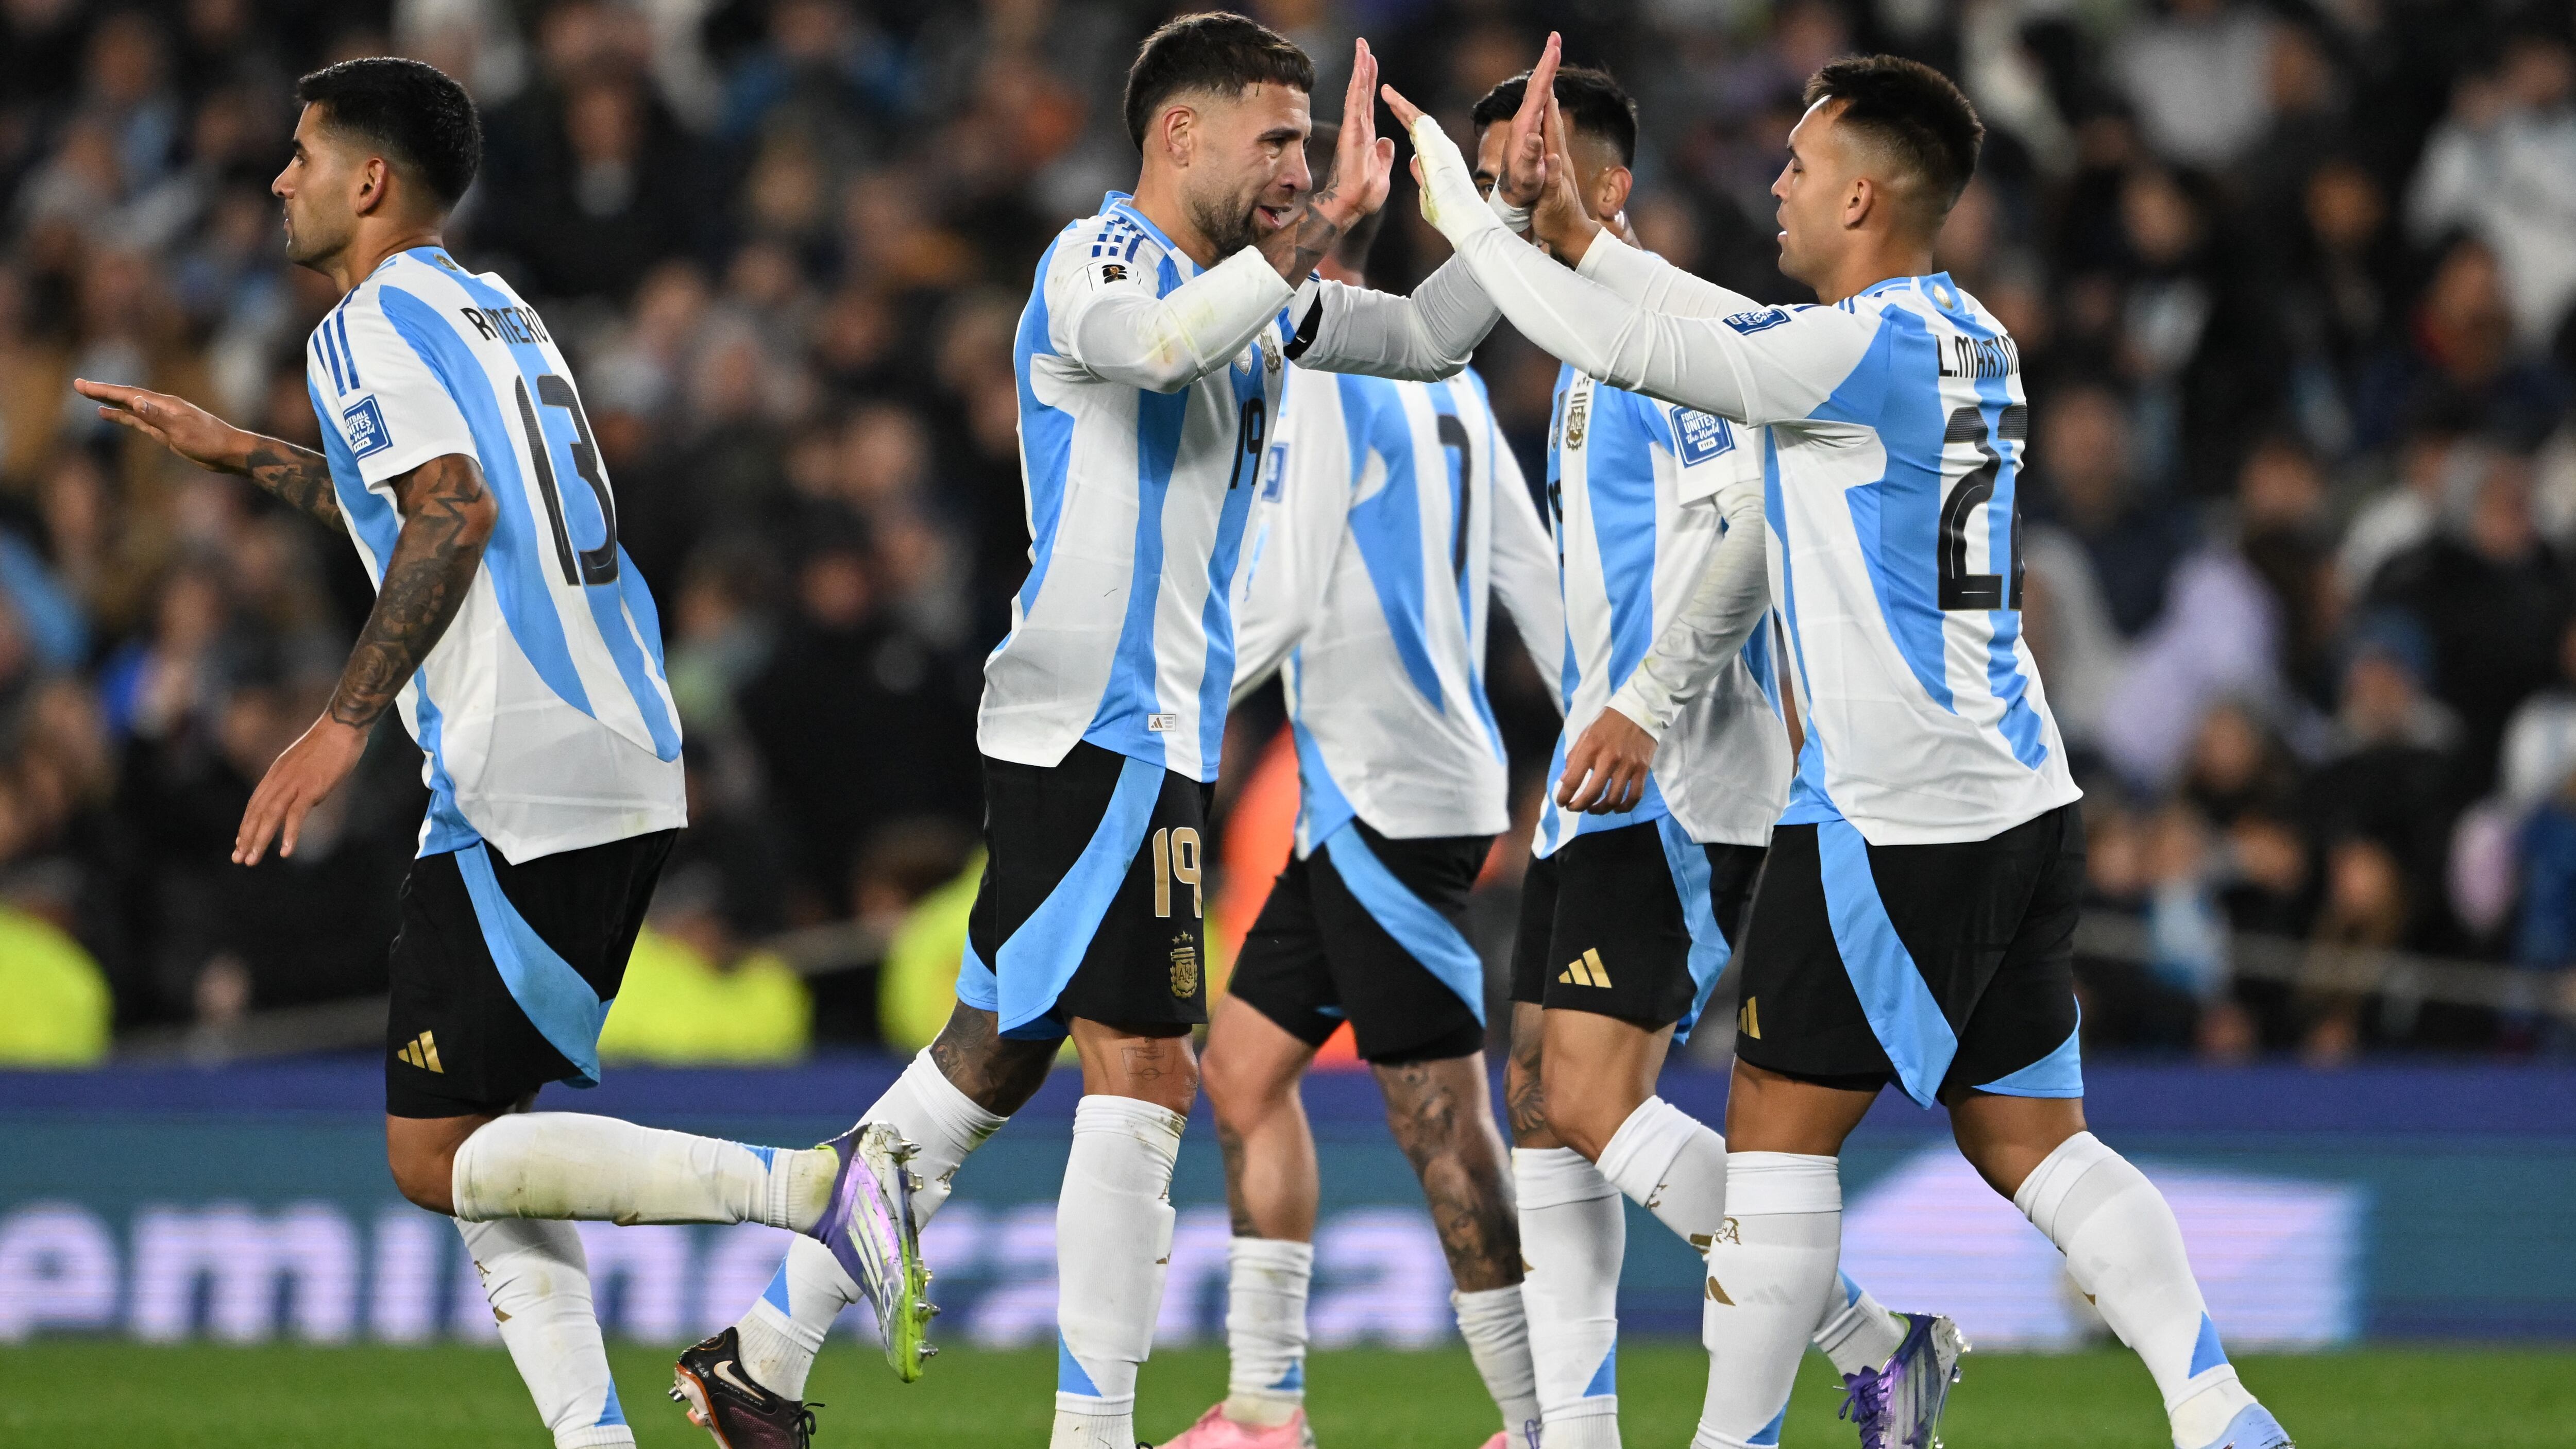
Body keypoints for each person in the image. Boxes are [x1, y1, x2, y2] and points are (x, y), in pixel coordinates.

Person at [1387, 45, 2297, 1449]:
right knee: (2029, 1139)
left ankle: (1740, 1438)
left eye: (1802, 166)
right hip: (2021, 790)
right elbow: (1714, 327)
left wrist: (1464, 202)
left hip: (1888, 811)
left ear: (1863, 197)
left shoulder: (1851, 354)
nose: (1779, 186)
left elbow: (1640, 350)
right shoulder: (1965, 336)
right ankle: (2218, 1408)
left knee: (1773, 1144)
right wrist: (1584, 239)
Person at [73, 57, 924, 1449]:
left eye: (302, 154)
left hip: (515, 764)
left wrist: (343, 721)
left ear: (369, 181)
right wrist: (242, 454)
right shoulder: (495, 307)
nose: (279, 179)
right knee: (490, 1142)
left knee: (433, 1156)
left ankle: (818, 1188)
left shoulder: (358, 326)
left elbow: (453, 512)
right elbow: (427, 496)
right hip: (620, 741)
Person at [683, 18, 1506, 1449]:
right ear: (1180, 133)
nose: (1297, 167)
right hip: (1098, 732)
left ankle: (761, 1349)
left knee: (989, 1058)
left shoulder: (1260, 291)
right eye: (1276, 139)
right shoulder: (1100, 260)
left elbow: (1431, 341)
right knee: (1148, 1072)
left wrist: (1502, 215)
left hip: (1148, 736)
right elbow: (1158, 349)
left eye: (1305, 144)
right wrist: (1308, 237)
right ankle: (1093, 1431)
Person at [1460, 52, 1954, 1449]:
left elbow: (1754, 527)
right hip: (1597, 779)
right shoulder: (1577, 349)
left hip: (1681, 779)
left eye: (1530, 175)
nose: (1506, 204)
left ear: (1606, 188)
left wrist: (1647, 704)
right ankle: (1574, 1429)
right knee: (1541, 1103)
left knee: (1586, 1096)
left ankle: (1876, 1340)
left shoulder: (1667, 348)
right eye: (1492, 182)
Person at [1161, 119, 1563, 1449]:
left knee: (1438, 1116)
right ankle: (1265, 1409)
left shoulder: (1325, 366)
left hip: (1392, 794)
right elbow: (1533, 575)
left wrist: (1161, 712)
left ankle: (1541, 1420)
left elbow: (1281, 597)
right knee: (1242, 1072)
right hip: (1385, 789)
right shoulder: (1448, 377)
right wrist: (1594, 727)